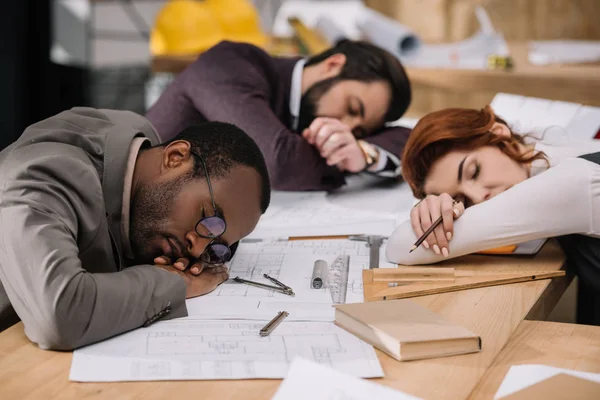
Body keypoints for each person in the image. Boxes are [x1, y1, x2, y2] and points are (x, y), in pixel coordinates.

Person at [0, 107, 271, 349]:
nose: (197, 249)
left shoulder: (142, 159)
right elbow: (59, 316)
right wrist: (173, 283)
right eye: (208, 219)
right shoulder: (41, 175)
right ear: (176, 157)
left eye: (217, 245)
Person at [385, 105, 600, 324]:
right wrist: (435, 206)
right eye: (461, 200)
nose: (479, 198)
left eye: (474, 171)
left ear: (498, 134)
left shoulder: (571, 182)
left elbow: (403, 245)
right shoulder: (563, 155)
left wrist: (423, 211)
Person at [146, 40, 412, 191]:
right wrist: (342, 159)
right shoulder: (227, 65)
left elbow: (409, 137)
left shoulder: (319, 114)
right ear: (332, 65)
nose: (346, 127)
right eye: (352, 108)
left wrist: (364, 152)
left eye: (360, 131)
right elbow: (274, 163)